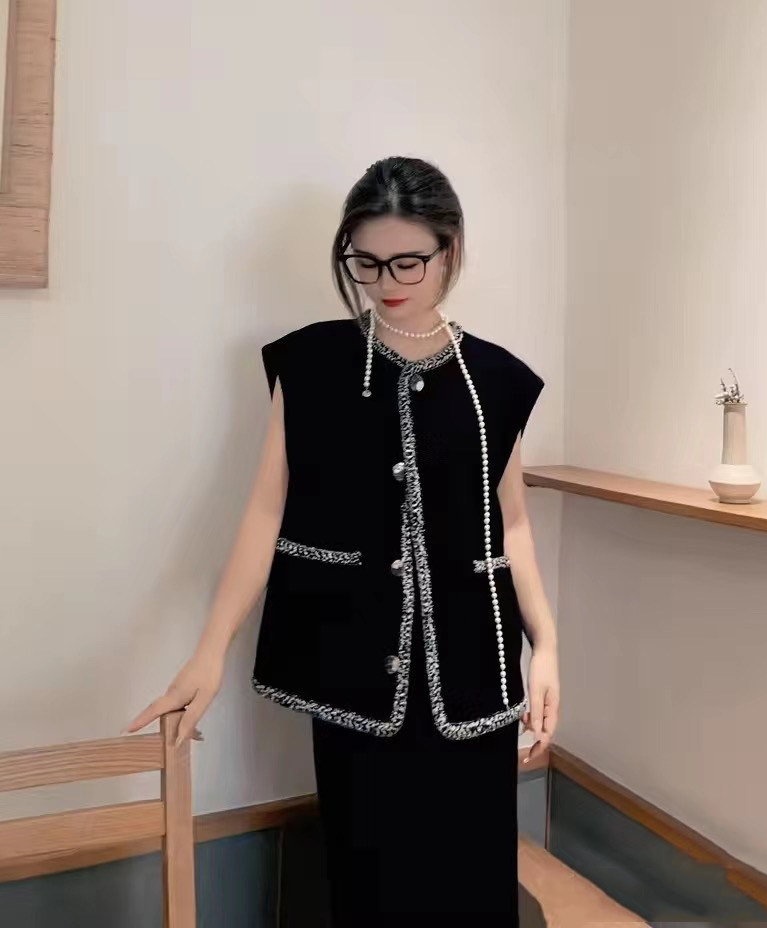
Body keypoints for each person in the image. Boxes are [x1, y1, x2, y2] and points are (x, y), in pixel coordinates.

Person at [127, 156, 560, 926]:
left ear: (451, 250)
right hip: (352, 672)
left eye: (407, 261)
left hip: (476, 672)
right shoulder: (311, 363)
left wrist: (549, 645)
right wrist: (210, 649)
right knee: (370, 880)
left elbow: (512, 522)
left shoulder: (496, 380)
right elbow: (266, 510)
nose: (385, 281)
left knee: (474, 879)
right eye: (365, 262)